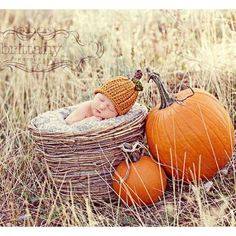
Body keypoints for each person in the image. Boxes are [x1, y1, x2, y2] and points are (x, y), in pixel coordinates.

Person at [65, 71, 143, 125]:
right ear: (96, 94)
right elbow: (68, 124)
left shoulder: (111, 121)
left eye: (110, 108)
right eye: (101, 100)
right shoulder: (86, 108)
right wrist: (88, 122)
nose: (102, 107)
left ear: (117, 115)